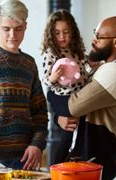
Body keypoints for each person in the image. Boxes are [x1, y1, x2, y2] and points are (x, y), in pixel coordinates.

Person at [47, 16, 116, 180]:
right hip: (83, 158)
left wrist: (51, 91)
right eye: (96, 33)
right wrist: (60, 117)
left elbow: (72, 106)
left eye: (99, 37)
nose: (94, 40)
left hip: (94, 162)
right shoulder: (103, 68)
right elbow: (71, 106)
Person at [0, 0, 48, 170]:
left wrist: (37, 144)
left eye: (18, 29)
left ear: (25, 26)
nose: (13, 35)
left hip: (24, 160)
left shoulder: (29, 64)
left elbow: (40, 112)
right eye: (6, 29)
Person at [40, 9, 95, 164]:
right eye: (57, 33)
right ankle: (57, 167)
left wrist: (92, 64)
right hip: (63, 96)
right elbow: (45, 79)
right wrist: (54, 77)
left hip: (79, 94)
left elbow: (84, 70)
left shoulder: (76, 51)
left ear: (73, 32)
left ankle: (68, 165)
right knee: (69, 131)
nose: (62, 37)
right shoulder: (51, 53)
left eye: (66, 32)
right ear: (51, 34)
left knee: (74, 132)